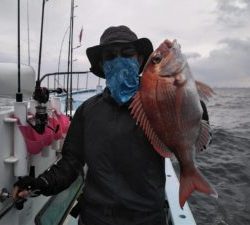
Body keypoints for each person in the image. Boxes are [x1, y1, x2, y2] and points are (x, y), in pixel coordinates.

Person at [13, 25, 209, 225]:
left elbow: (197, 139)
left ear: (140, 59)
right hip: (95, 218)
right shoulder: (87, 111)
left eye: (127, 53)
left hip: (148, 218)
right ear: (103, 65)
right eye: (110, 56)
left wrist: (195, 109)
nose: (119, 60)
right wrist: (40, 183)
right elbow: (71, 163)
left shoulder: (158, 104)